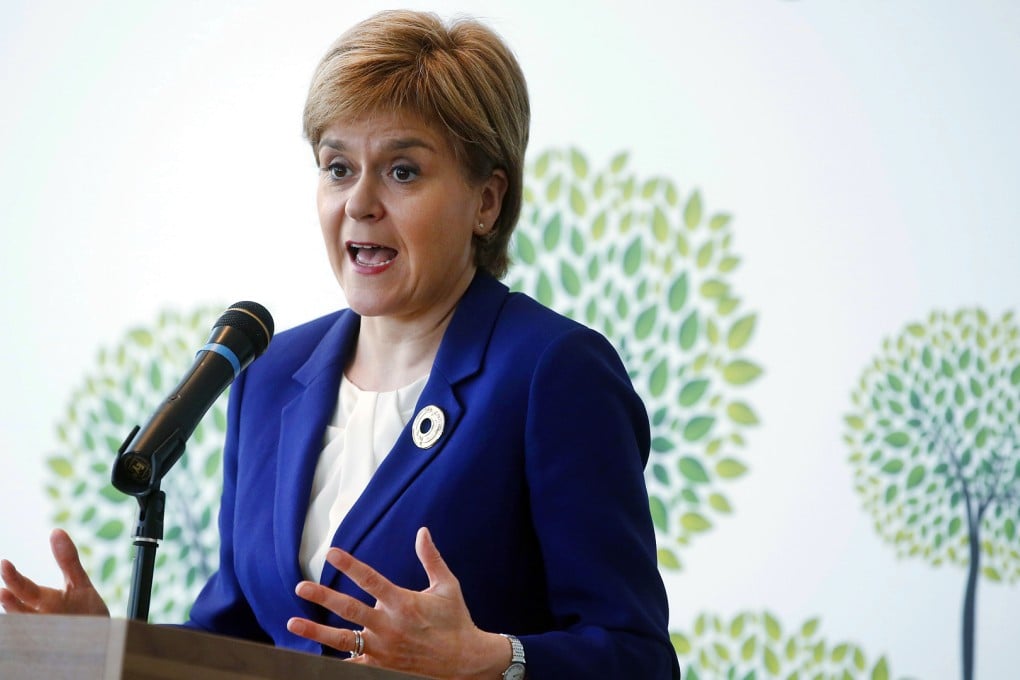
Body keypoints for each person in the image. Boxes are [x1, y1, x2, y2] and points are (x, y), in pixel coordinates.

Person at [1, 10, 680, 679]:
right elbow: (236, 636)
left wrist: (490, 659)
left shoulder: (551, 373)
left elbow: (638, 657)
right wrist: (109, 649)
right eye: (337, 167)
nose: (359, 202)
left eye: (402, 172)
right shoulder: (271, 375)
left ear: (487, 202)